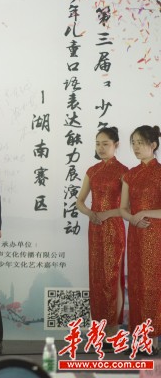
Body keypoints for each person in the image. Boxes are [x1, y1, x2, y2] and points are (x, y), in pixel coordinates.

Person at [76, 127, 128, 341]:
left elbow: (127, 208)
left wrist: (106, 214)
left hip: (114, 227)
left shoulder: (124, 171)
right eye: (98, 144)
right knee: (97, 277)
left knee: (113, 277)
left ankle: (114, 329)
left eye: (105, 144)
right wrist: (90, 213)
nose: (101, 148)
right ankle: (99, 328)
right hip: (95, 227)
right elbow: (80, 201)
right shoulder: (92, 170)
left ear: (116, 145)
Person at [119, 125, 161, 354]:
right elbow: (123, 209)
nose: (135, 147)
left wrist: (144, 213)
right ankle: (139, 338)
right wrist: (132, 219)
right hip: (136, 234)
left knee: (153, 285)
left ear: (153, 145)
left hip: (156, 235)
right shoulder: (130, 175)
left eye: (140, 142)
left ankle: (152, 341)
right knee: (136, 285)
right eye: (133, 142)